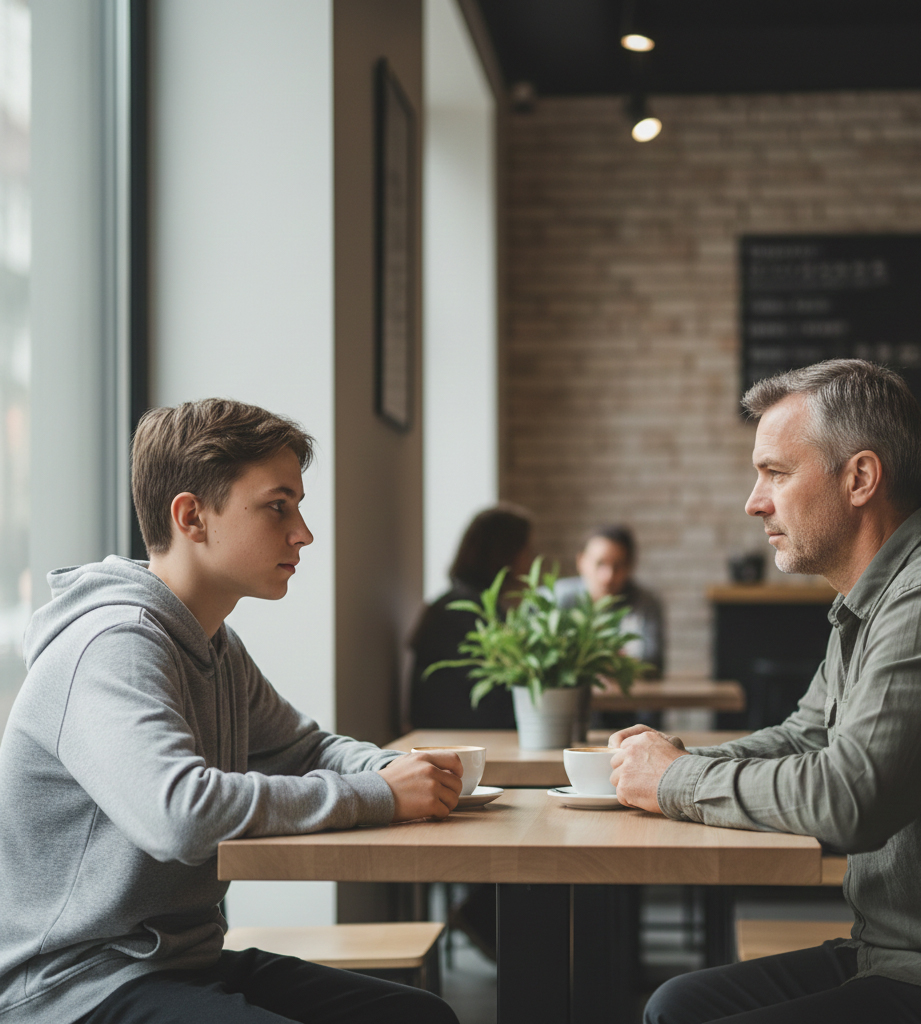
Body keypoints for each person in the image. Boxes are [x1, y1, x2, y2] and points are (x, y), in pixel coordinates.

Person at [0, 399, 461, 1024]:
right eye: (278, 507)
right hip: (75, 985)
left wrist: (395, 771)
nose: (304, 533)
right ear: (191, 517)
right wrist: (379, 794)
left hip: (181, 963)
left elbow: (305, 749)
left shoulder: (213, 642)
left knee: (419, 1017)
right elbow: (181, 815)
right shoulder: (112, 645)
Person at [611, 360, 921, 1024]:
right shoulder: (875, 596)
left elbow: (849, 798)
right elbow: (805, 738)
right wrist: (673, 764)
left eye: (775, 473)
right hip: (890, 952)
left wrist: (676, 779)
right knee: (677, 1004)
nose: (755, 501)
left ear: (859, 478)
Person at [409, 504, 533, 730]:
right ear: (505, 554)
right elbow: (496, 699)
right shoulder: (464, 613)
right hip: (459, 737)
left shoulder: (455, 604)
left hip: (460, 732)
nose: (530, 560)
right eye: (526, 550)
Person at [554, 525, 664, 676]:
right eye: (600, 563)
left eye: (618, 566)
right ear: (581, 561)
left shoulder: (645, 603)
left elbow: (653, 664)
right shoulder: (558, 599)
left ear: (630, 566)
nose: (608, 576)